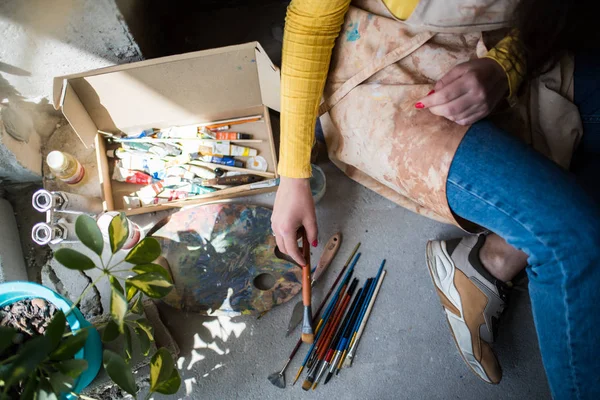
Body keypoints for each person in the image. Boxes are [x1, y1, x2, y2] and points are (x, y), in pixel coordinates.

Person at [271, 0, 600, 398]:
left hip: (501, 45)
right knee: (570, 238)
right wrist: (292, 175)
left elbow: (560, 17)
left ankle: (490, 262)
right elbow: (311, 21)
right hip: (378, 67)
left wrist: (504, 66)